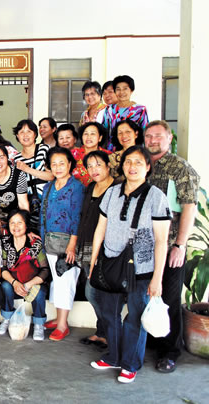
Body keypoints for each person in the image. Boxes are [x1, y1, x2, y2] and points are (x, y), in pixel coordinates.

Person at [89, 145, 171, 384]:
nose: (132, 166)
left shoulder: (157, 197)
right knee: (110, 314)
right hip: (112, 264)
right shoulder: (112, 192)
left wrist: (157, 279)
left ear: (147, 167)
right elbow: (100, 228)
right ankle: (113, 356)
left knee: (134, 317)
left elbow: (162, 240)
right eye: (128, 162)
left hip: (142, 269)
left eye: (138, 162)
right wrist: (94, 261)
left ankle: (130, 364)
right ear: (122, 166)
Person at [145, 120, 200, 374]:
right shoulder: (142, 165)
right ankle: (152, 341)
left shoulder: (180, 168)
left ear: (169, 138)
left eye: (158, 136)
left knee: (169, 297)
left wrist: (180, 244)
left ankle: (170, 351)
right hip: (144, 245)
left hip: (170, 247)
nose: (152, 140)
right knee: (145, 295)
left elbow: (189, 206)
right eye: (148, 136)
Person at [40, 147, 85, 341]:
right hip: (50, 241)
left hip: (68, 242)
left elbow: (77, 217)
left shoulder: (76, 187)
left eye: (62, 163)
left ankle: (62, 325)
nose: (57, 167)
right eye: (54, 164)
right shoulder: (49, 186)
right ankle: (59, 317)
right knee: (57, 281)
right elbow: (43, 214)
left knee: (66, 281)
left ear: (70, 165)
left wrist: (72, 244)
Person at [75, 151, 114, 349]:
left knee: (95, 292)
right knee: (94, 292)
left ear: (108, 166)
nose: (94, 170)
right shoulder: (90, 187)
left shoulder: (117, 189)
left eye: (98, 165)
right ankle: (102, 332)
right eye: (90, 166)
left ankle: (109, 332)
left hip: (107, 250)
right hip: (87, 245)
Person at [0, 210, 49, 340]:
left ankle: (38, 325)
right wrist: (15, 283)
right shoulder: (6, 243)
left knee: (40, 292)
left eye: (20, 222)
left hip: (32, 283)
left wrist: (29, 284)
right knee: (5, 286)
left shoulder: (35, 244)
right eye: (12, 223)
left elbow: (45, 270)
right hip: (14, 282)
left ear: (26, 225)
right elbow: (2, 268)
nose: (16, 226)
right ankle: (7, 319)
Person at [13, 119, 55, 231]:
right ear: (17, 136)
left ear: (35, 134)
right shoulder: (16, 158)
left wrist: (27, 169)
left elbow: (51, 176)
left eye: (29, 131)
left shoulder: (44, 150)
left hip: (48, 200)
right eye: (21, 132)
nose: (25, 135)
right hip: (28, 204)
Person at [103, 75, 149, 149]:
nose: (121, 92)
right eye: (118, 89)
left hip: (133, 151)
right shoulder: (109, 109)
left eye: (125, 89)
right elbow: (105, 132)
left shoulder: (140, 110)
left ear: (131, 90)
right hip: (113, 151)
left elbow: (145, 132)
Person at [71, 122, 111, 186]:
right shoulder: (72, 155)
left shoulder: (109, 156)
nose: (88, 137)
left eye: (93, 134)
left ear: (100, 138)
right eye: (86, 134)